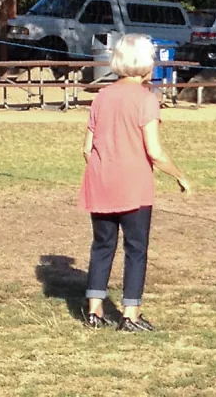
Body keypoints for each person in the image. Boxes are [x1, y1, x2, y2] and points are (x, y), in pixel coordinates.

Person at [79, 34, 191, 332]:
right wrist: (179, 175)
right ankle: (130, 314)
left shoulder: (102, 96)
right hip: (134, 188)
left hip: (100, 184)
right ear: (144, 64)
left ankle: (94, 310)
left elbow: (86, 147)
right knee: (136, 249)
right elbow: (154, 151)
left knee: (102, 245)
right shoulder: (146, 99)